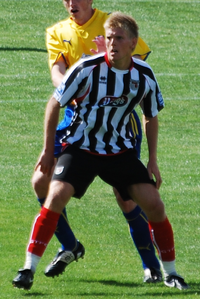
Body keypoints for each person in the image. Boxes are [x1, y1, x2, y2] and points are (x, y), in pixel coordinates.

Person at [12, 12, 189, 292]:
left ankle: (170, 273)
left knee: (154, 204)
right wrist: (48, 151)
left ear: (133, 44)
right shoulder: (87, 68)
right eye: (108, 37)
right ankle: (27, 269)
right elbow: (54, 104)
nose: (112, 43)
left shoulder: (143, 75)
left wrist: (152, 160)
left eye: (119, 38)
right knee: (55, 196)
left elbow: (151, 115)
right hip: (80, 147)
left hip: (119, 151)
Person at [31, 0, 162, 283]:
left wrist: (108, 59)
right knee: (41, 180)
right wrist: (70, 84)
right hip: (76, 122)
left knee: (125, 198)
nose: (70, 3)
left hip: (118, 125)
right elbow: (56, 70)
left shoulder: (111, 24)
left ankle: (151, 266)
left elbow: (139, 63)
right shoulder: (57, 31)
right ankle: (70, 246)